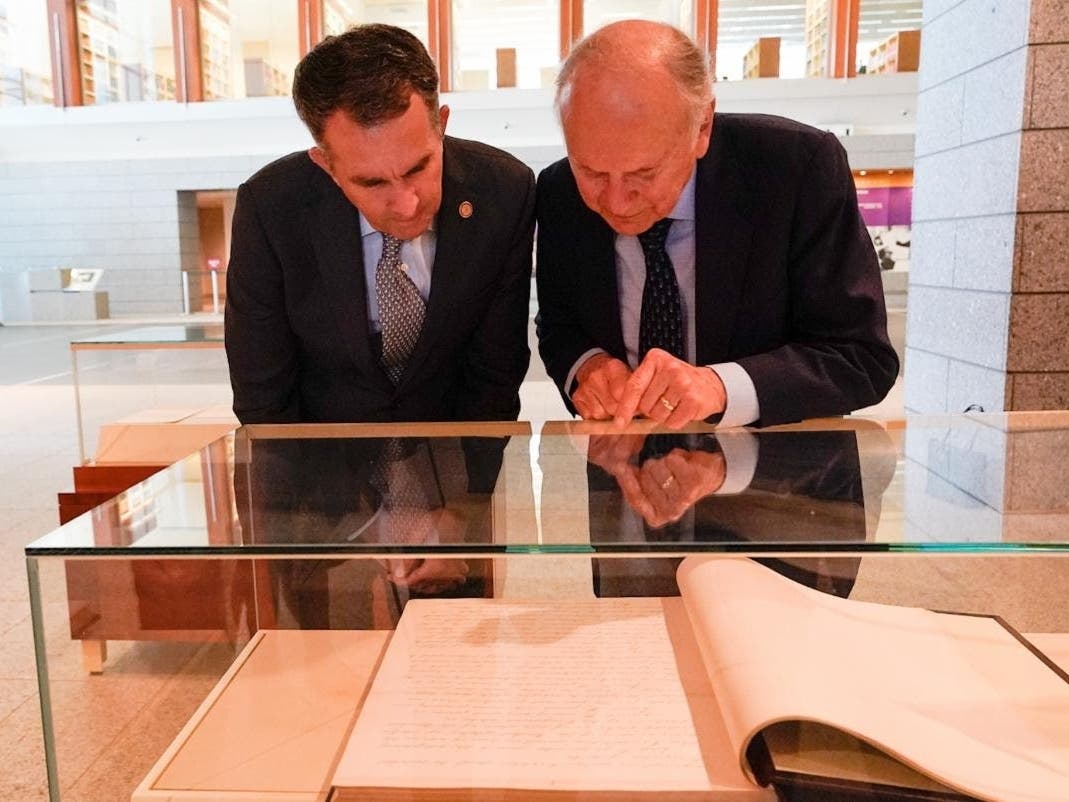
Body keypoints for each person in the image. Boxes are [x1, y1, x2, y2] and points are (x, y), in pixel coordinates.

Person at [535, 20, 899, 430]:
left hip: (779, 476)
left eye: (645, 172)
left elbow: (861, 356)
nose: (616, 203)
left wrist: (719, 387)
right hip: (622, 469)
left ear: (702, 127)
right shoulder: (558, 190)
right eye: (593, 172)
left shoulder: (796, 168)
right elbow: (558, 324)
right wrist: (588, 366)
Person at [225, 24, 535, 426]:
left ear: (441, 124)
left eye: (419, 166)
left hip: (456, 455)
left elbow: (495, 378)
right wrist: (299, 488)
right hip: (322, 460)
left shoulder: (504, 192)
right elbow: (263, 399)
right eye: (371, 182)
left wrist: (473, 486)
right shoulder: (270, 209)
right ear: (326, 165)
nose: (406, 205)